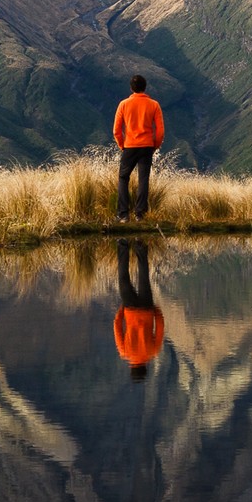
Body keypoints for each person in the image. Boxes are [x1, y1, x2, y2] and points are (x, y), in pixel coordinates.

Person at [111, 74, 164, 222]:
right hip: (147, 146)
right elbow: (160, 131)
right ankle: (140, 214)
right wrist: (155, 145)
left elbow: (116, 129)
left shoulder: (124, 104)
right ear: (145, 87)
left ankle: (123, 214)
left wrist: (122, 145)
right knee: (143, 179)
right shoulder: (154, 105)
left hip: (130, 146)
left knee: (123, 178)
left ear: (131, 88)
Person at [112, 239, 164, 380]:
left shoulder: (153, 352)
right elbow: (117, 328)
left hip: (147, 309)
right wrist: (121, 311)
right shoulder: (124, 353)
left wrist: (156, 311)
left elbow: (159, 328)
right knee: (123, 278)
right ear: (132, 367)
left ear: (145, 367)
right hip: (129, 308)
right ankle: (123, 243)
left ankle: (140, 245)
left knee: (143, 276)